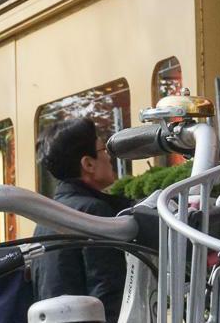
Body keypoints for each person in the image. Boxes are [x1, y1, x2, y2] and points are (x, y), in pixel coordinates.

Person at [29, 118, 133, 322]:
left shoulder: (44, 217)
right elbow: (107, 288)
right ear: (88, 164)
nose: (109, 158)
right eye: (104, 150)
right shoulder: (93, 212)